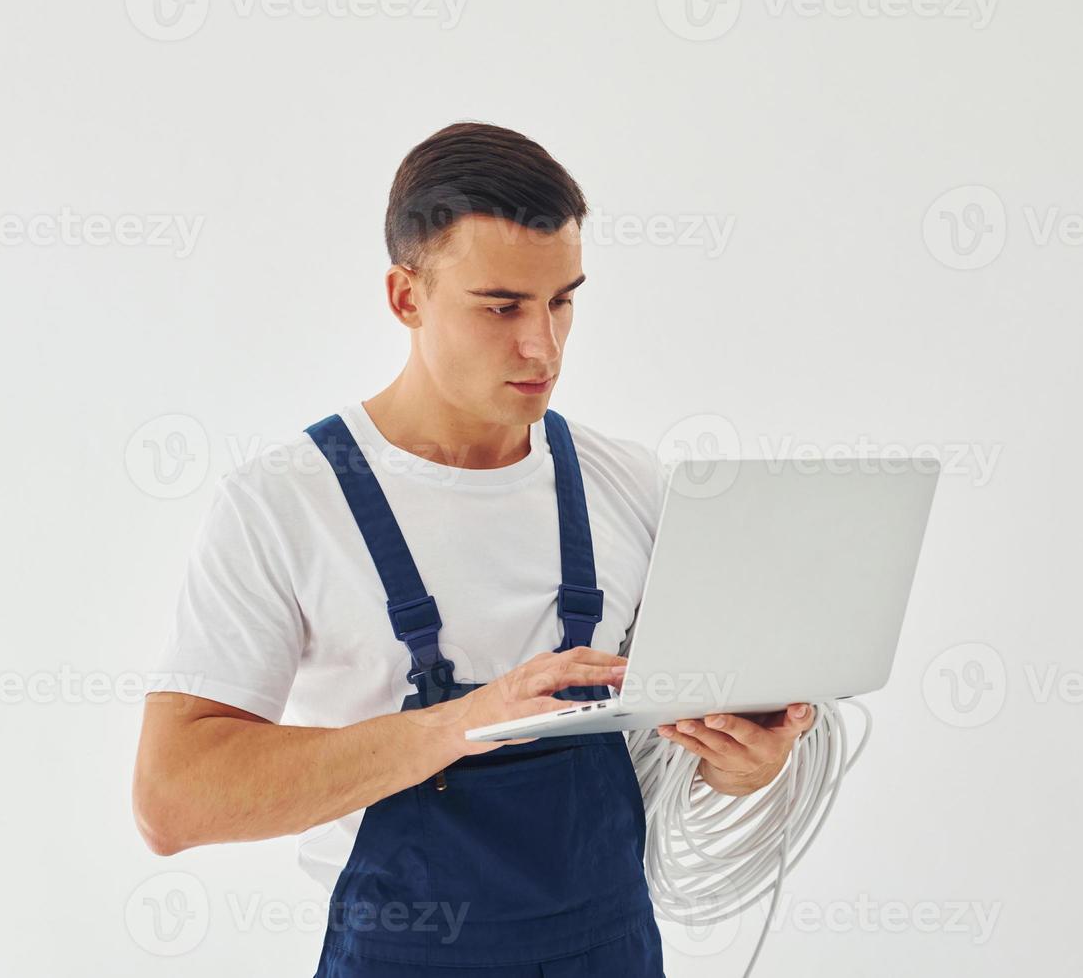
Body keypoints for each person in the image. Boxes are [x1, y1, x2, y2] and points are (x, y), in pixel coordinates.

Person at [132, 120, 814, 977]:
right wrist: (464, 722)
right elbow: (173, 801)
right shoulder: (284, 501)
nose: (545, 345)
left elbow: (677, 740)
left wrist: (746, 765)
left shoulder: (628, 483)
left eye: (562, 299)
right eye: (501, 307)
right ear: (406, 296)